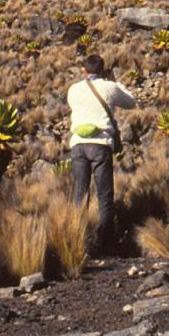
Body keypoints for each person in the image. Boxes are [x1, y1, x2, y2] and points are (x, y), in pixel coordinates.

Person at [66, 54, 136, 248]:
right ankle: (106, 240)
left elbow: (73, 106)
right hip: (100, 144)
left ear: (83, 70)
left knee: (80, 194)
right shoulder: (109, 87)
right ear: (103, 69)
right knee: (104, 194)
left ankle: (78, 238)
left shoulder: (74, 89)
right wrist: (115, 82)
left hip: (78, 144)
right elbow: (131, 102)